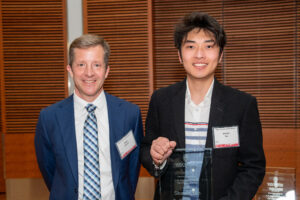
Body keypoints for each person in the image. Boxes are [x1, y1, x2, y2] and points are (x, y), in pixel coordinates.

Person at [140, 12, 266, 200]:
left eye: (208, 46)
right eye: (191, 46)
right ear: (180, 55)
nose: (199, 55)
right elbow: (146, 152)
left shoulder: (242, 105)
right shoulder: (161, 100)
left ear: (220, 54)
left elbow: (253, 167)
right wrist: (156, 157)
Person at [35, 34, 143, 200]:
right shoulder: (49, 118)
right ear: (70, 70)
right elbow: (50, 172)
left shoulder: (130, 114)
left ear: (107, 71)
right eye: (81, 65)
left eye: (97, 65)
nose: (89, 73)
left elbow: (131, 171)